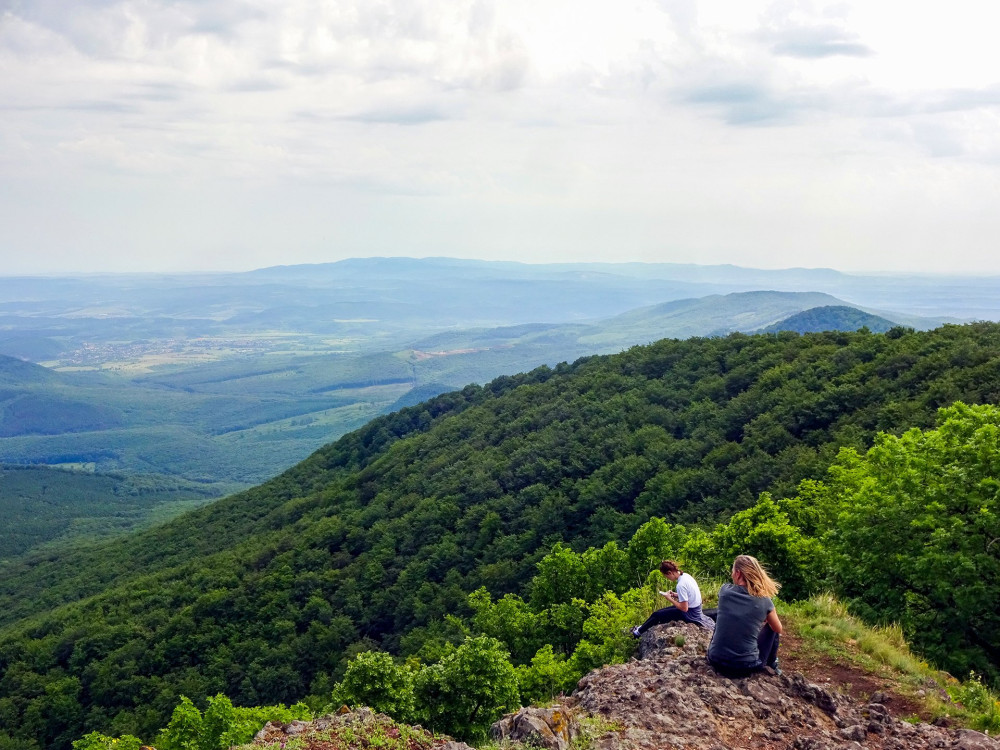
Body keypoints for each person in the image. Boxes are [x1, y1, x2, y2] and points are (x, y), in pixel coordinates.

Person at [707, 554, 782, 677]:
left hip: (715, 660)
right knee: (772, 628)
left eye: (732, 571)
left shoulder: (724, 591)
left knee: (724, 616)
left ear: (738, 573)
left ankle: (721, 649)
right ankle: (772, 664)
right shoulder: (764, 601)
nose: (732, 575)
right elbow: (778, 628)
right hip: (745, 667)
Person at [630, 560, 715, 636]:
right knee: (659, 612)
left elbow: (684, 608)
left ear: (670, 572)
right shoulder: (686, 576)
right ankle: (641, 628)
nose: (667, 578)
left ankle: (637, 633)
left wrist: (669, 598)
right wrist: (675, 595)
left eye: (666, 576)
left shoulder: (680, 585)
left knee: (657, 615)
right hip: (695, 608)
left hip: (690, 614)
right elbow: (690, 595)